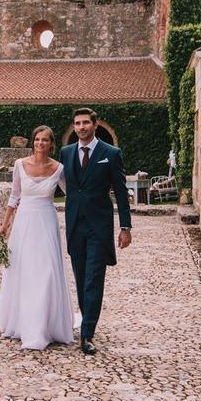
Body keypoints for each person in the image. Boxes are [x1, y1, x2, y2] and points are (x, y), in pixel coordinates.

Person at [58, 107, 132, 355]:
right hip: (75, 226)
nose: (81, 127)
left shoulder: (111, 153)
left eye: (86, 123)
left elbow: (121, 192)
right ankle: (87, 318)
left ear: (95, 124)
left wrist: (125, 227)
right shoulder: (66, 153)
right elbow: (60, 183)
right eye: (77, 123)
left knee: (93, 279)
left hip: (99, 227)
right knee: (80, 278)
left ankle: (87, 332)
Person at [0, 125, 74, 350]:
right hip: (24, 224)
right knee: (24, 271)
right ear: (33, 142)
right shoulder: (20, 165)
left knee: (47, 272)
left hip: (47, 223)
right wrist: (4, 226)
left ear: (52, 144)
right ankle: (24, 322)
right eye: (37, 139)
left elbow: (72, 194)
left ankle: (45, 325)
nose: (40, 143)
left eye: (45, 140)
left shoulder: (59, 168)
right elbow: (14, 196)